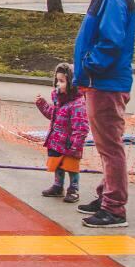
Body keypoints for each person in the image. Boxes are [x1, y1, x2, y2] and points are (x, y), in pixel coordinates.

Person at [71, 0, 135, 228]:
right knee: (105, 145)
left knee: (110, 147)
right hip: (99, 81)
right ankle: (106, 194)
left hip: (106, 82)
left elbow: (111, 41)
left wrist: (89, 65)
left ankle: (114, 208)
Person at [35, 62, 88, 203]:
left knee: (71, 166)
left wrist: (76, 144)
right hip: (56, 140)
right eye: (57, 81)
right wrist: (42, 104)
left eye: (62, 81)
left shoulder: (78, 104)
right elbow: (52, 114)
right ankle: (58, 186)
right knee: (57, 164)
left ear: (72, 83)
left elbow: (81, 126)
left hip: (70, 143)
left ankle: (73, 189)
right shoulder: (59, 100)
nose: (58, 84)